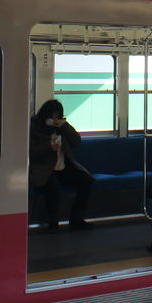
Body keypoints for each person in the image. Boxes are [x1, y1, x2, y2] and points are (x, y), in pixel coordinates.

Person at [29, 99, 94, 232]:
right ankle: (53, 222)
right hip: (44, 169)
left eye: (57, 116)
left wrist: (65, 126)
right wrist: (49, 146)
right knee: (53, 186)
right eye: (52, 116)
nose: (55, 119)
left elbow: (76, 141)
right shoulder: (34, 128)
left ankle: (77, 218)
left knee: (86, 180)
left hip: (63, 167)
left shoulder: (62, 129)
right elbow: (32, 153)